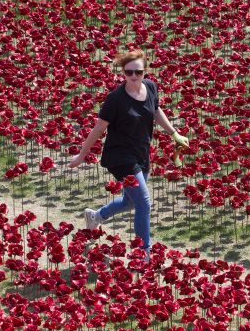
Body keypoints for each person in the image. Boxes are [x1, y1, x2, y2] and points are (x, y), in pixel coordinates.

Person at [68, 49, 188, 260]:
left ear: (145, 72)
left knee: (131, 201)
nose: (133, 76)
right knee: (143, 202)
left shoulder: (150, 87)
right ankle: (144, 253)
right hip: (120, 156)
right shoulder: (116, 99)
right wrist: (81, 155)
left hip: (141, 152)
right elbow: (98, 129)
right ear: (122, 72)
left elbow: (156, 110)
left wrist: (174, 133)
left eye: (138, 72)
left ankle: (96, 216)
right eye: (128, 72)